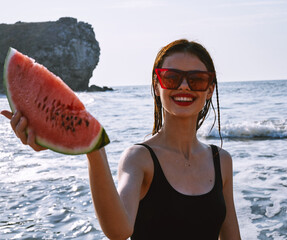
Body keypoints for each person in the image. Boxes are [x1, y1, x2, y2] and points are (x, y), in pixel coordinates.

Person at [1, 39, 241, 240]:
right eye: (171, 77)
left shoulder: (221, 161)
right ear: (157, 85)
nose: (185, 86)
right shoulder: (139, 158)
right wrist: (94, 150)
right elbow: (119, 231)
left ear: (209, 88)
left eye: (197, 79)